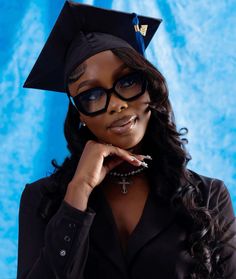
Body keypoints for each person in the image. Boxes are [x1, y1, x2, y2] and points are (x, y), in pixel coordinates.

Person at [17, 1, 236, 279]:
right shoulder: (42, 200)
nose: (116, 104)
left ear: (151, 89)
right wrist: (78, 193)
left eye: (127, 81)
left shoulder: (208, 196)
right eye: (92, 95)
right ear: (80, 114)